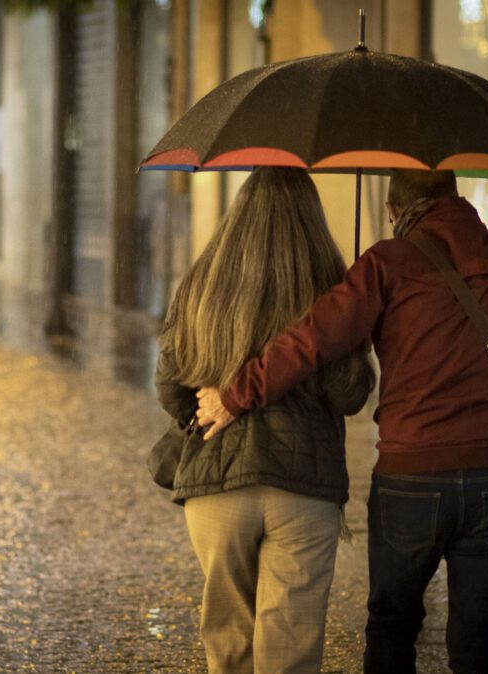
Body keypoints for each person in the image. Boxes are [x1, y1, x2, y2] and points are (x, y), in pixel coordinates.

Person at [195, 170, 488, 674]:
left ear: (395, 211)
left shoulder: (386, 262)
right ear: (454, 197)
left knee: (393, 627)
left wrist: (236, 395)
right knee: (480, 638)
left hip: (411, 478)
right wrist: (483, 370)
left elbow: (312, 341)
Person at [155, 167, 374, 674]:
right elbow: (349, 395)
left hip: (217, 486)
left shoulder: (201, 285)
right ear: (312, 219)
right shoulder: (330, 288)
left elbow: (169, 388)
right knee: (290, 652)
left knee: (227, 646)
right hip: (304, 487)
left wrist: (210, 404)